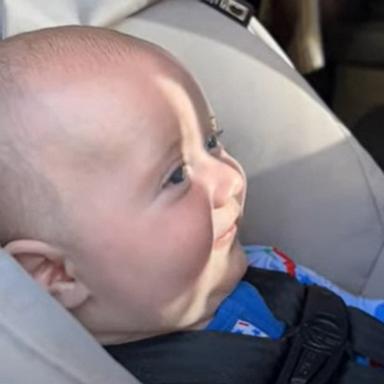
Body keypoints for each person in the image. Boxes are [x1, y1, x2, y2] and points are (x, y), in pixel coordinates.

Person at [0, 26, 383, 382]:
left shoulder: (264, 268)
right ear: (56, 274)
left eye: (212, 141)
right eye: (176, 176)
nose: (231, 178)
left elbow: (363, 316)